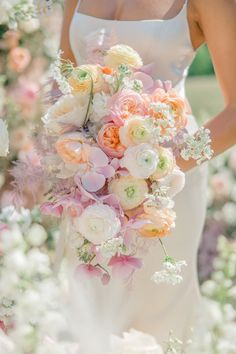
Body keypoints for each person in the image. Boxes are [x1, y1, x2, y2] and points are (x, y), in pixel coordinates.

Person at [58, 0, 236, 348]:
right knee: (87, 316)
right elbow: (64, 83)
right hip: (86, 185)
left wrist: (160, 168)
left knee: (160, 318)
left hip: (166, 188)